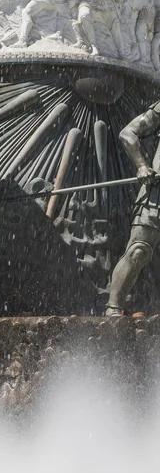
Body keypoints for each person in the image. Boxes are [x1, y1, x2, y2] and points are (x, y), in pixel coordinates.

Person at [106, 101, 160, 316]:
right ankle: (113, 311)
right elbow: (128, 133)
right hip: (157, 196)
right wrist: (141, 165)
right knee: (139, 250)